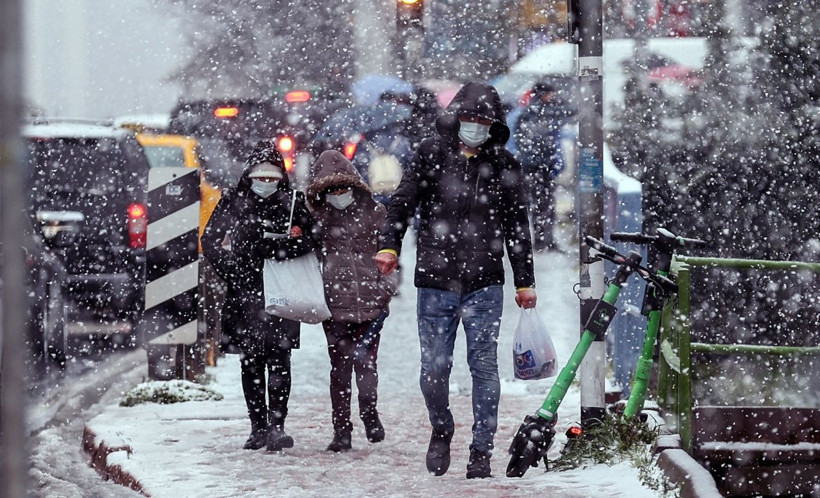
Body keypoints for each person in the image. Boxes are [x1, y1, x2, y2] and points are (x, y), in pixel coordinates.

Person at [375, 82, 537, 479]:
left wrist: (524, 280)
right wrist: (389, 247)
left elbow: (517, 227)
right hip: (434, 280)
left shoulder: (505, 165)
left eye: (484, 120)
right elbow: (403, 201)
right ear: (457, 117)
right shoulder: (430, 154)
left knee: (483, 365)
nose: (475, 126)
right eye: (470, 118)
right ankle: (441, 426)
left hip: (485, 282)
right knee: (433, 369)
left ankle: (482, 449)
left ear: (494, 124)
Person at [201, 140, 316, 452]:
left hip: (283, 290)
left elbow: (313, 238)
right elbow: (209, 240)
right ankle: (257, 427)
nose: (265, 184)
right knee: (250, 361)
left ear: (281, 178)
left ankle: (277, 426)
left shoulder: (293, 202)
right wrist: (231, 268)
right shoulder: (233, 201)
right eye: (259, 178)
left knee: (280, 359)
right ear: (248, 177)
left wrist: (281, 248)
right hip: (244, 292)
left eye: (272, 178)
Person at [306, 150, 398, 452]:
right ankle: (341, 428)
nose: (338, 194)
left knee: (366, 364)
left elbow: (391, 255)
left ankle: (369, 413)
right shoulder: (317, 219)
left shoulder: (375, 212)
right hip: (334, 306)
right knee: (340, 368)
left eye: (342, 188)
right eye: (330, 190)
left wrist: (384, 291)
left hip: (371, 303)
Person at [514, 82, 573, 252]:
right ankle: (545, 241)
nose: (552, 97)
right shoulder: (542, 112)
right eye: (550, 94)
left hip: (533, 167)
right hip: (541, 167)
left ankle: (542, 241)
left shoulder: (526, 113)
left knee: (538, 205)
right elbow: (567, 114)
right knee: (544, 205)